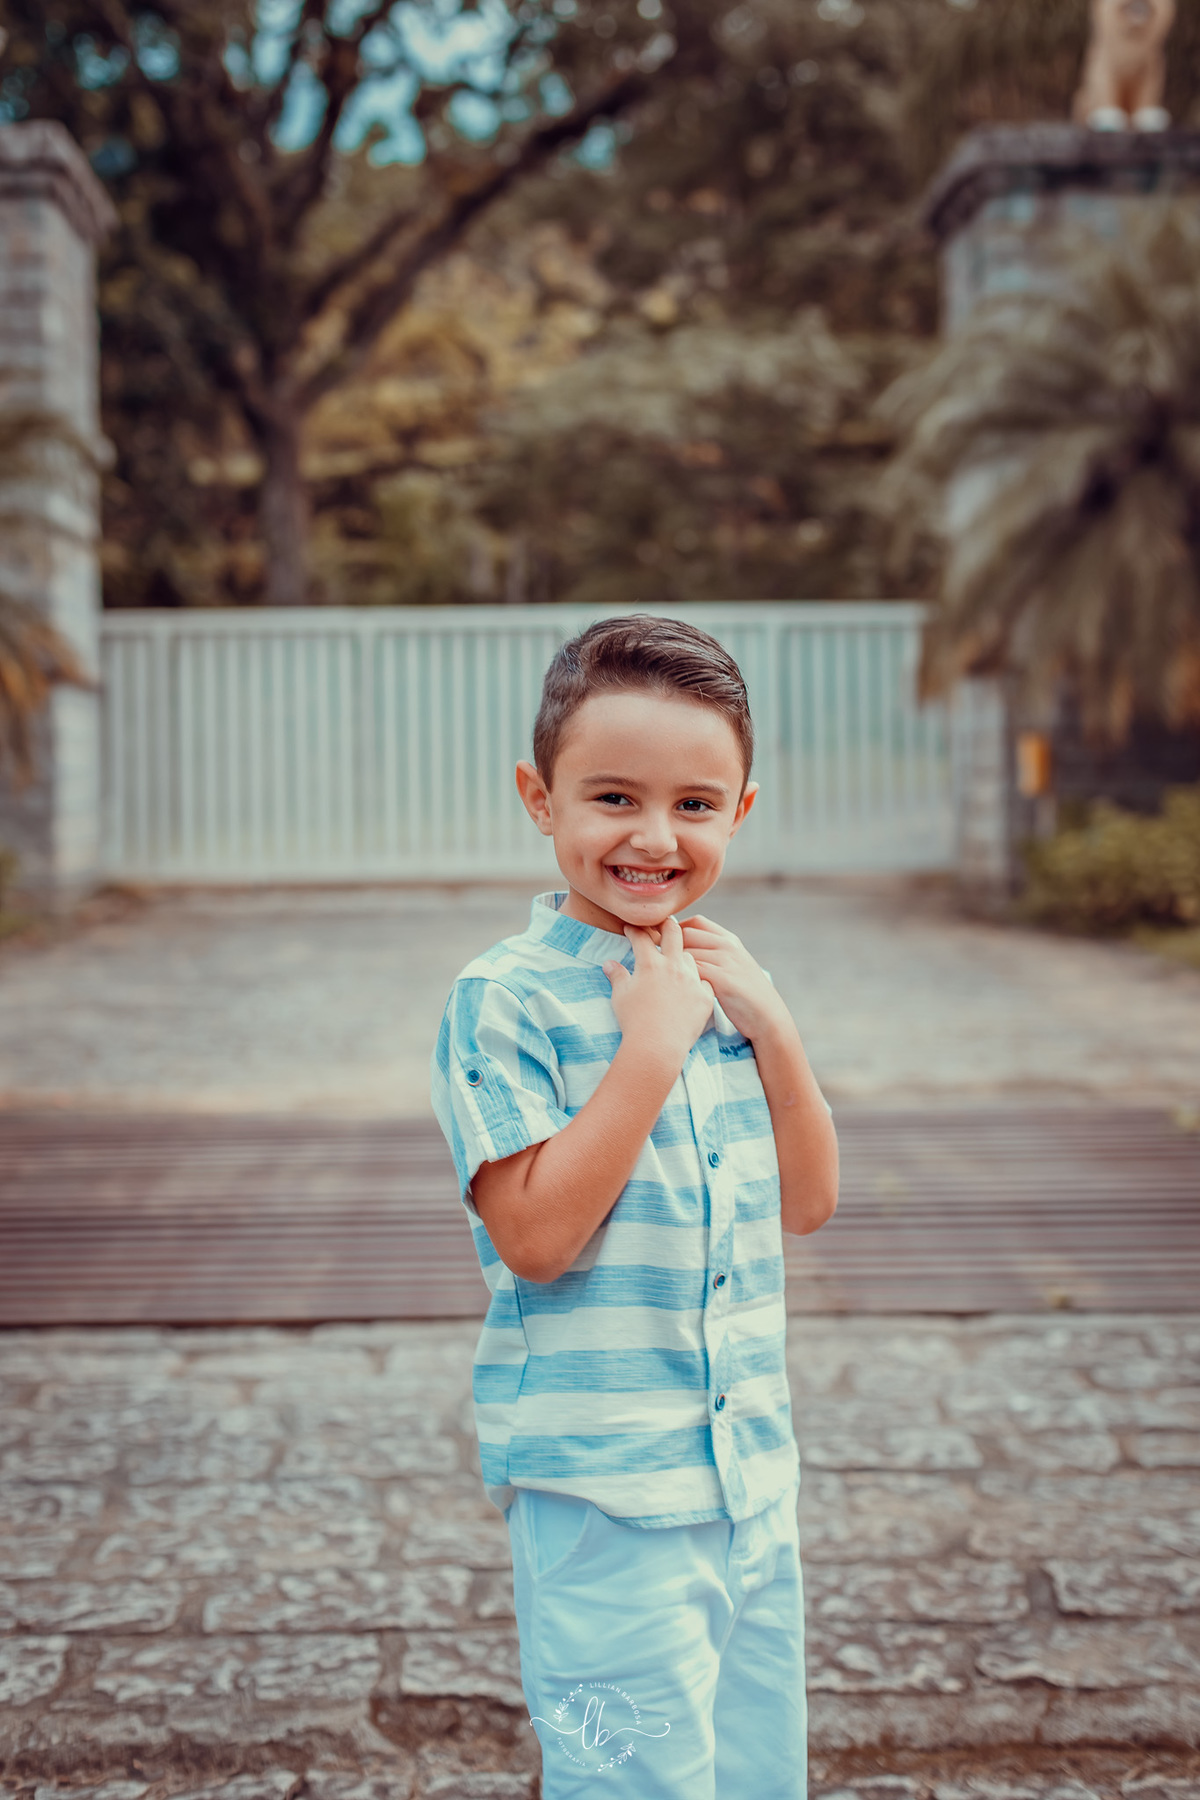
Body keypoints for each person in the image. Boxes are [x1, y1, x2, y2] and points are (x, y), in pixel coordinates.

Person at [431, 614, 839, 1800]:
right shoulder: (503, 1000)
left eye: (695, 806)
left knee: (758, 1776)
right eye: (613, 797)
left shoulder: (722, 974)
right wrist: (649, 1052)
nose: (654, 838)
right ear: (539, 796)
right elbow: (538, 1239)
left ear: (741, 811)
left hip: (749, 1480)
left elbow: (807, 1205)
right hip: (605, 1498)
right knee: (634, 1784)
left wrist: (777, 1030)